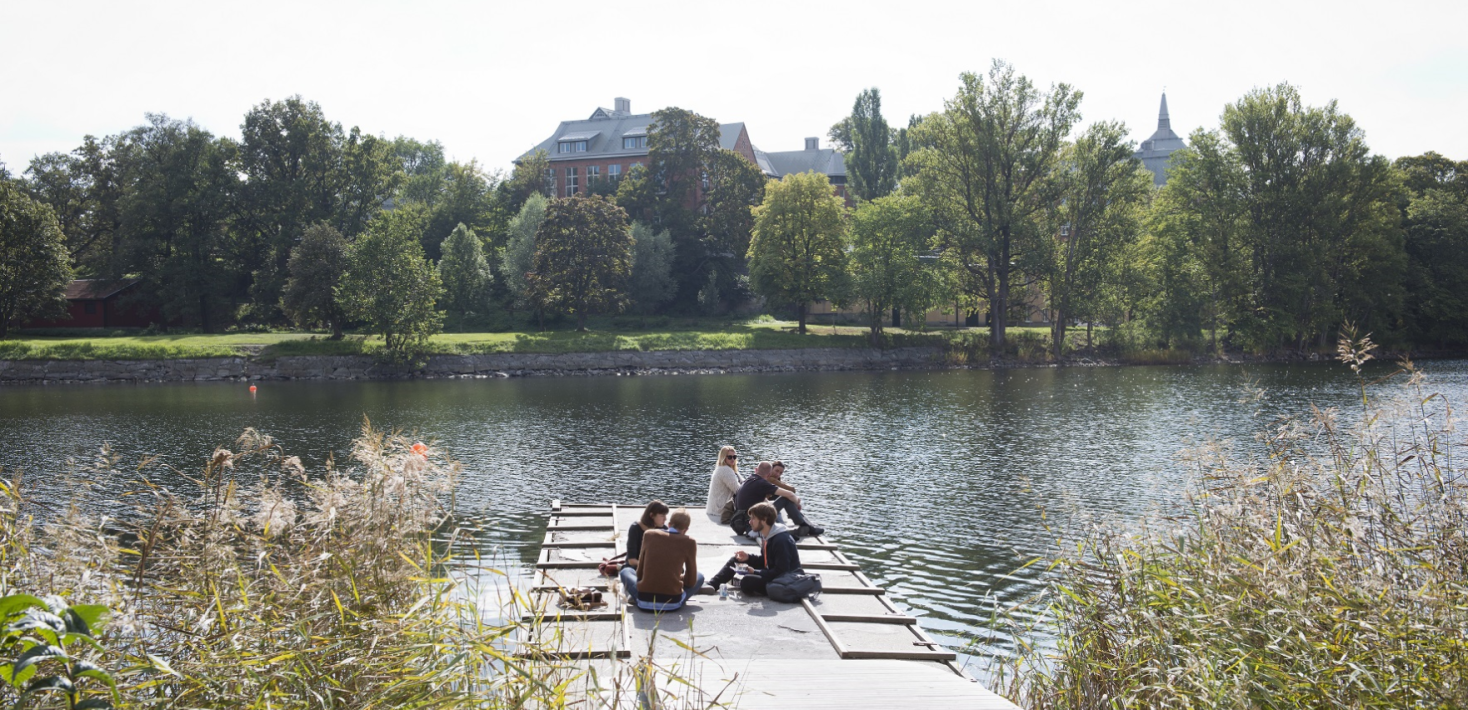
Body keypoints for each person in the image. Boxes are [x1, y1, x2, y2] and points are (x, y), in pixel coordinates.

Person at [619, 509, 704, 612]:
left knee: (625, 571)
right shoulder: (690, 542)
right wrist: (677, 578)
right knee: (699, 576)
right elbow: (691, 582)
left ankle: (636, 596)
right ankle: (676, 593)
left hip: (644, 600)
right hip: (672, 603)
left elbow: (640, 574)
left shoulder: (649, 535)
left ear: (669, 524)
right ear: (686, 529)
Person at [708, 502, 801, 596]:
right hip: (773, 573)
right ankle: (711, 585)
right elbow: (765, 561)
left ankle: (737, 582)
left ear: (764, 520)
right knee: (736, 560)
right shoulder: (767, 535)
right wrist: (748, 557)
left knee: (747, 582)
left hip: (785, 580)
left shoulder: (781, 540)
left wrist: (754, 571)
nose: (750, 522)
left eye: (753, 518)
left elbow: (781, 572)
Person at [731, 461, 824, 539]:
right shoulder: (762, 483)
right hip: (752, 524)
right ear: (768, 475)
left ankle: (794, 529)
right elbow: (790, 494)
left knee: (778, 502)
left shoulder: (749, 480)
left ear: (756, 470)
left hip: (742, 522)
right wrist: (797, 502)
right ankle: (805, 527)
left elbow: (763, 501)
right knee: (785, 499)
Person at [623, 500, 669, 570]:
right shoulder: (635, 528)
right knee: (626, 572)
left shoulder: (664, 529)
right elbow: (632, 560)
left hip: (657, 568)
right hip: (637, 567)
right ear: (651, 515)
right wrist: (651, 566)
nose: (665, 519)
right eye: (662, 516)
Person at [705, 446, 742, 522]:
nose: (732, 459)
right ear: (723, 457)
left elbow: (743, 482)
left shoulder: (727, 469)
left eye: (734, 457)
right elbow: (738, 490)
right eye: (729, 457)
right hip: (720, 510)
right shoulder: (725, 470)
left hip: (714, 509)